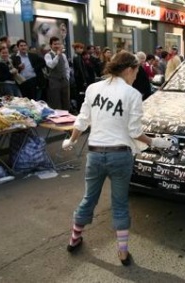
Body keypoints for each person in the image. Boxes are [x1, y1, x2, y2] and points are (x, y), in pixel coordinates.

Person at [61, 51, 172, 265]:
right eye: (136, 71)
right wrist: (155, 143)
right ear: (129, 69)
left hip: (94, 153)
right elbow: (134, 131)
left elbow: (82, 120)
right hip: (120, 156)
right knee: (120, 203)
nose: (136, 75)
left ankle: (74, 239)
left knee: (88, 199)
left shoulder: (93, 88)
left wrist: (71, 141)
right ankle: (122, 252)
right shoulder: (132, 95)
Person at [44, 36, 71, 110]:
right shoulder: (48, 55)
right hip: (54, 81)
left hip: (64, 80)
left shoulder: (63, 55)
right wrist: (57, 56)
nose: (57, 46)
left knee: (66, 101)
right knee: (55, 102)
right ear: (51, 45)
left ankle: (67, 117)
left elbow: (66, 67)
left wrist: (67, 77)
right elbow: (51, 65)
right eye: (55, 44)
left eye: (58, 44)